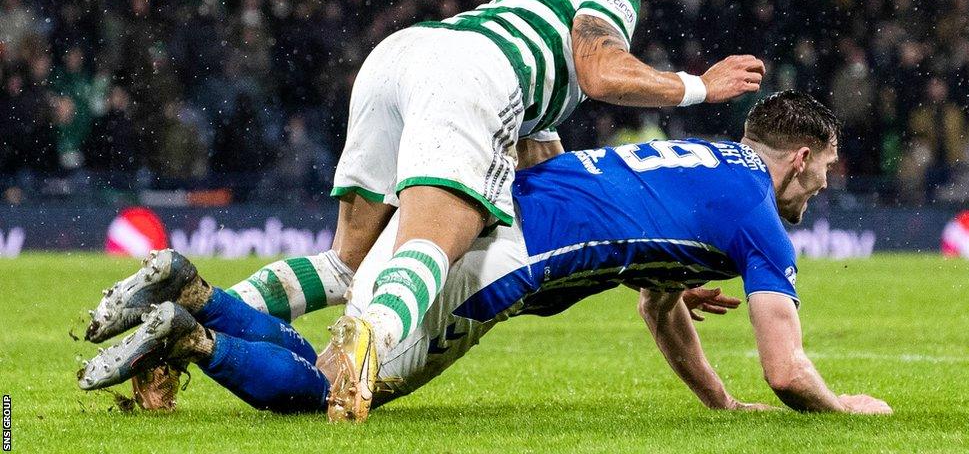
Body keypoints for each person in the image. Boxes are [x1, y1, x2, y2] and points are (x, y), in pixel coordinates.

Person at [86, 0, 767, 420]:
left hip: (401, 56)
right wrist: (698, 87)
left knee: (345, 265)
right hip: (467, 76)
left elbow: (562, 205)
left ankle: (190, 299)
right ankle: (363, 355)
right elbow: (603, 67)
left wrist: (658, 282)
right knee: (429, 251)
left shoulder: (526, 45)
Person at [79, 92, 892, 419]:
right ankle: (194, 337)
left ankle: (192, 290)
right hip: (497, 261)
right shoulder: (760, 218)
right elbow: (786, 371)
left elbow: (656, 301)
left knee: (338, 340)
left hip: (459, 205)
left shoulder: (705, 161)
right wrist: (842, 405)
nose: (822, 186)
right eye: (822, 169)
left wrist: (718, 404)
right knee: (335, 393)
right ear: (799, 155)